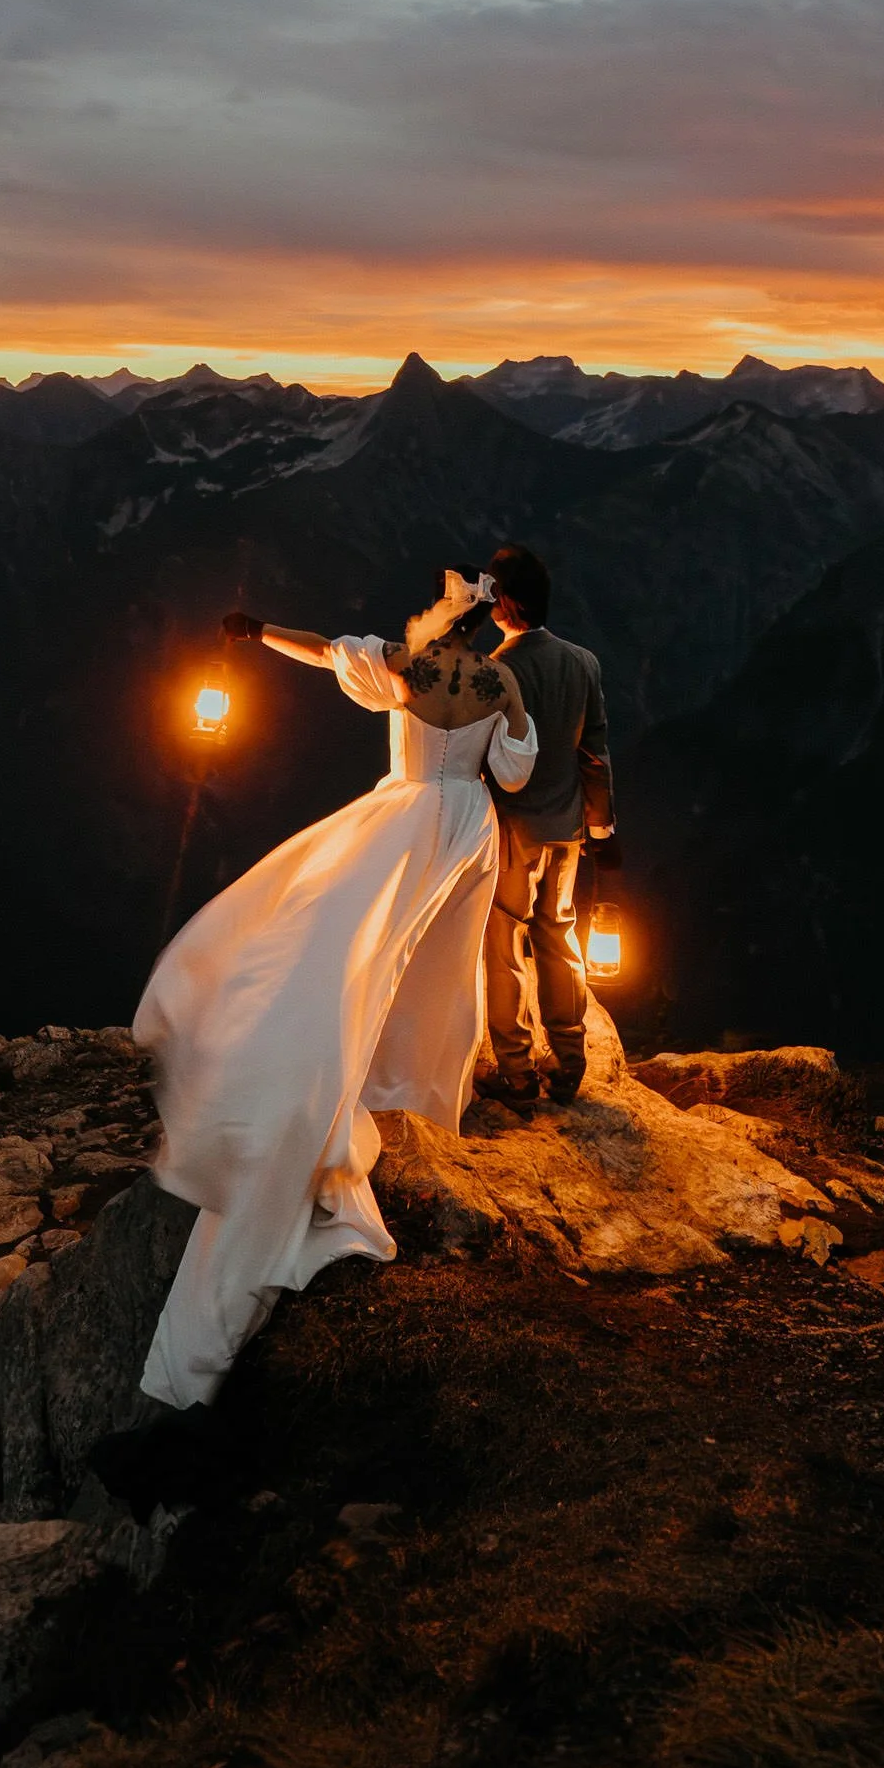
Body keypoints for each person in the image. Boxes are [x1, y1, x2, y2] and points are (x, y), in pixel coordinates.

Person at [131, 572, 534, 1410]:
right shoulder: (503, 681)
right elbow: (516, 771)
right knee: (429, 966)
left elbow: (324, 654)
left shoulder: (406, 664)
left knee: (344, 939)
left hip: (407, 814)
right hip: (468, 826)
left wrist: (259, 630)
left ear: (439, 620)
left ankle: (323, 1067)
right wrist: (510, 729)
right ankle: (407, 1079)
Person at [475, 542, 613, 1108]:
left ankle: (516, 1071)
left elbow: (482, 753)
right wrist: (602, 826)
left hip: (512, 828)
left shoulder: (498, 670)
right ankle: (569, 1059)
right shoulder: (583, 663)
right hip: (568, 825)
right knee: (558, 935)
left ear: (504, 602)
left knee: (503, 940)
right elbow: (596, 752)